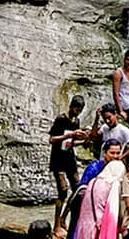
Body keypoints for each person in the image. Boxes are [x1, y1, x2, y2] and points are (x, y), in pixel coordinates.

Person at [73, 160, 129, 239]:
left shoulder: (93, 181)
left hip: (84, 225)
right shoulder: (113, 185)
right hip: (98, 228)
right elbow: (112, 211)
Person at [50, 96, 87, 235]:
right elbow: (52, 139)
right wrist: (70, 134)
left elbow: (71, 142)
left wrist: (82, 139)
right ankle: (56, 225)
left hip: (69, 157)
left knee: (77, 189)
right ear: (71, 106)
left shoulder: (76, 121)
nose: (78, 112)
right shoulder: (61, 119)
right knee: (63, 190)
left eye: (80, 110)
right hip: (58, 159)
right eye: (76, 108)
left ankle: (64, 218)